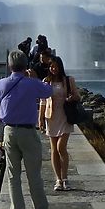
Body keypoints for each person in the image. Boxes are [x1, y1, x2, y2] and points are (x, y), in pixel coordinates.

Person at [0, 48, 57, 209]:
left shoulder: (2, 83)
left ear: (9, 65)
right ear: (26, 65)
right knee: (34, 175)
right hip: (28, 131)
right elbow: (48, 92)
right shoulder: (31, 83)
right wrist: (35, 78)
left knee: (13, 174)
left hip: (9, 131)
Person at [39, 55, 78, 191]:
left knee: (61, 147)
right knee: (54, 149)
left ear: (60, 67)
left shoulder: (68, 80)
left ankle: (65, 177)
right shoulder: (46, 81)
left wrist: (71, 97)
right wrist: (40, 119)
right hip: (51, 117)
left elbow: (77, 95)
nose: (53, 68)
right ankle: (58, 180)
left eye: (55, 66)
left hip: (66, 117)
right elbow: (43, 102)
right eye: (51, 66)